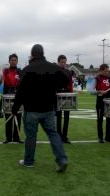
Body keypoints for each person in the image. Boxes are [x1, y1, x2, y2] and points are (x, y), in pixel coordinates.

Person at [12, 44, 70, 172]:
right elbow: (66, 79)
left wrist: (14, 109)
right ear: (43, 53)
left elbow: (20, 92)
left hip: (31, 109)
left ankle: (28, 161)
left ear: (32, 54)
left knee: (31, 136)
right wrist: (54, 85)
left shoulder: (27, 69)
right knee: (53, 134)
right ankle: (62, 159)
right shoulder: (52, 66)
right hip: (48, 108)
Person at [0, 53, 23, 144]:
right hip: (7, 95)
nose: (13, 61)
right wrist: (0, 78)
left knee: (18, 116)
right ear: (9, 61)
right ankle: (8, 137)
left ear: (17, 61)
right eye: (12, 60)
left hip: (17, 96)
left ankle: (17, 137)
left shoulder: (20, 71)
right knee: (8, 117)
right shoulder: (5, 71)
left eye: (15, 60)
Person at [95, 64, 110, 143]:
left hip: (109, 101)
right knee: (100, 120)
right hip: (100, 102)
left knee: (109, 119)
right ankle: (100, 137)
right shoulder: (96, 78)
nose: (107, 72)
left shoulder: (109, 78)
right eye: (105, 71)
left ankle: (108, 136)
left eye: (108, 71)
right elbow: (91, 91)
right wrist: (99, 91)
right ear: (101, 70)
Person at [55, 55, 73, 144]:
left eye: (64, 62)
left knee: (67, 117)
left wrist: (71, 95)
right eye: (62, 62)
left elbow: (70, 85)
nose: (63, 64)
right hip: (57, 95)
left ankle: (65, 136)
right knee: (58, 117)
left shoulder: (68, 72)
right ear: (58, 62)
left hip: (67, 95)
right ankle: (58, 136)